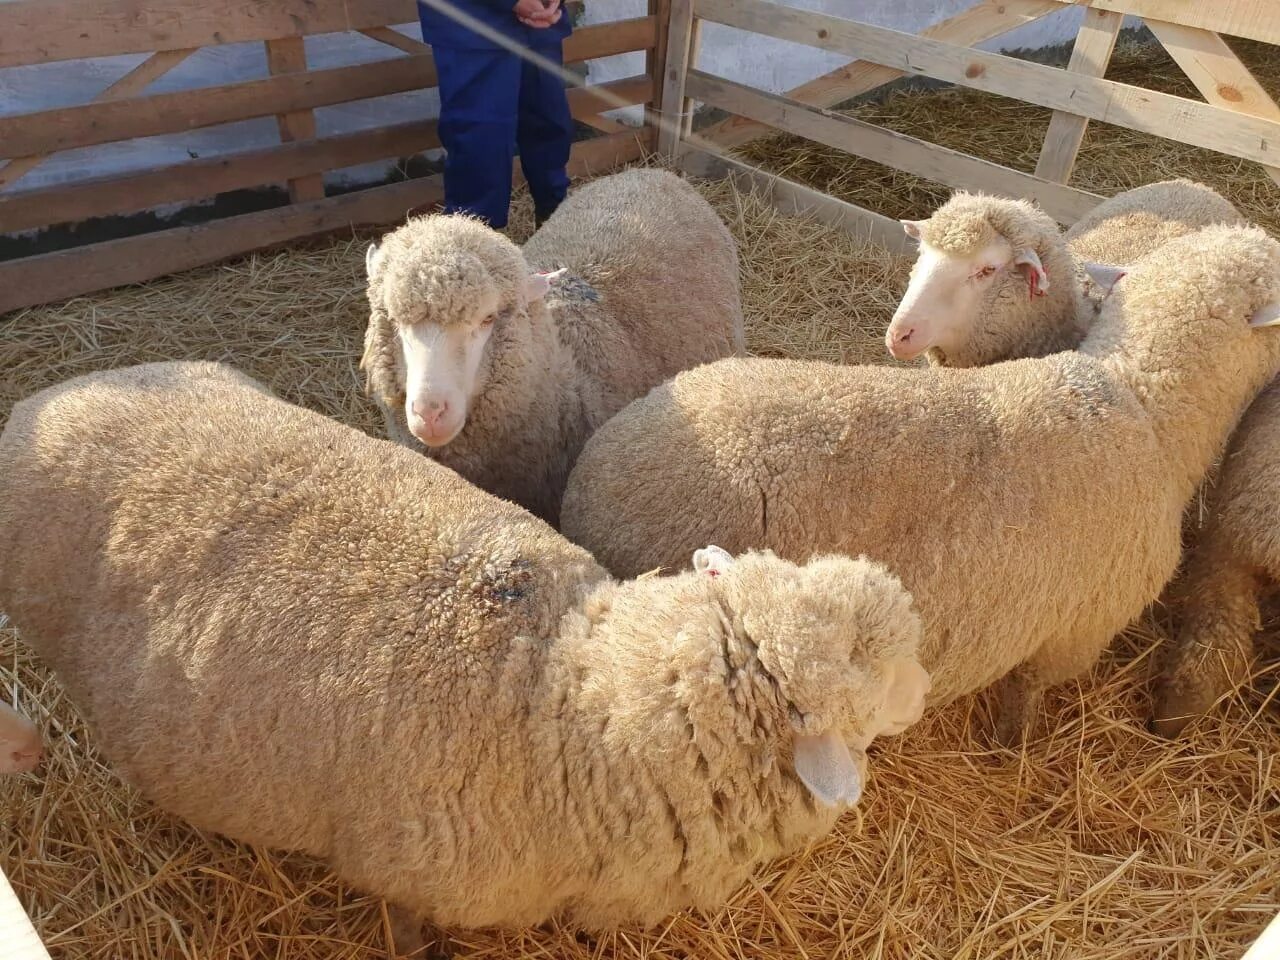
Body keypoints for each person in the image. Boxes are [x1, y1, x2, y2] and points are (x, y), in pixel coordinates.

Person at [418, 0, 576, 229]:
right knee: (481, 140)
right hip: (472, 22)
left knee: (549, 122)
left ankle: (555, 228)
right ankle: (476, 244)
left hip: (539, 23)